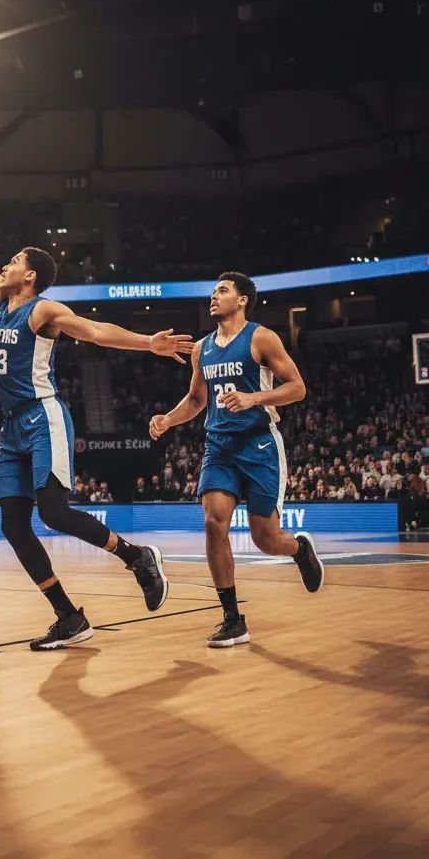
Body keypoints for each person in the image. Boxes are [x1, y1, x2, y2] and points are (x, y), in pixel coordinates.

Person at [0, 156, 192, 650]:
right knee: (14, 526)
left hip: (43, 417)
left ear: (30, 276)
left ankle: (137, 556)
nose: (5, 265)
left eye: (14, 261)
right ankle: (68, 616)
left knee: (53, 512)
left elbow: (96, 331)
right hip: (11, 427)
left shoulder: (43, 311)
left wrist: (148, 343)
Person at [149, 272, 324, 648]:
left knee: (265, 539)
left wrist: (253, 398)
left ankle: (299, 549)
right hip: (219, 447)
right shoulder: (202, 348)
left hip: (259, 444)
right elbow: (197, 401)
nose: (214, 296)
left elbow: (297, 388)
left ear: (243, 299)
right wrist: (167, 418)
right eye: (213, 291)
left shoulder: (261, 337)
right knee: (214, 522)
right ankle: (232, 618)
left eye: (223, 290)